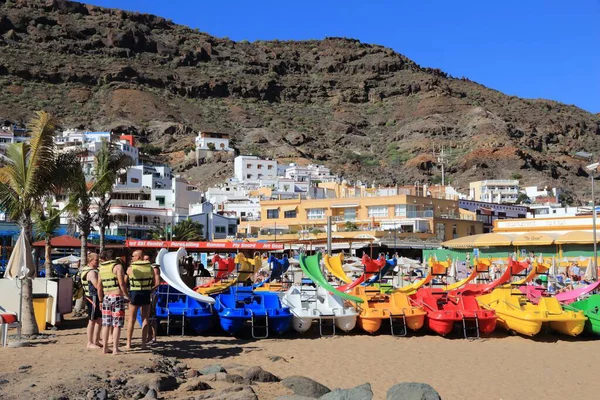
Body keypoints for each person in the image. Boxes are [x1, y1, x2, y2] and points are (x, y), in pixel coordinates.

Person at [125, 250, 160, 350]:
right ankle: (143, 343)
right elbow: (156, 282)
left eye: (133, 256)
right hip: (146, 293)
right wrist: (150, 290)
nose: (132, 258)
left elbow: (124, 281)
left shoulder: (131, 268)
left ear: (138, 257)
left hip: (135, 293)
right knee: (145, 318)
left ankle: (128, 343)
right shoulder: (150, 268)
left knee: (131, 319)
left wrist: (126, 294)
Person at [98, 250, 128, 355]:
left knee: (106, 323)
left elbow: (99, 287)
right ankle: (115, 349)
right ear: (115, 257)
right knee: (117, 324)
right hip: (117, 296)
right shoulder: (117, 267)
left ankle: (105, 347)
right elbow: (122, 283)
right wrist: (127, 295)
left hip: (106, 297)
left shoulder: (101, 268)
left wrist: (100, 300)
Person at [81, 253, 102, 349]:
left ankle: (96, 340)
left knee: (99, 320)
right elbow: (97, 286)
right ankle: (89, 342)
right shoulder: (91, 272)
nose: (98, 261)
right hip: (92, 297)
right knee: (92, 320)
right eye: (96, 260)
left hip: (96, 297)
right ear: (90, 260)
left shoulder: (94, 270)